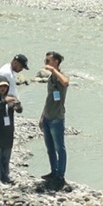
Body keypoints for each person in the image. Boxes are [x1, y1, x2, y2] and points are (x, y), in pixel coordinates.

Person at [38, 50, 70, 190]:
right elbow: (48, 98)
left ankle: (60, 176)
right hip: (48, 117)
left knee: (59, 148)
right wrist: (42, 116)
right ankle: (53, 171)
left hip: (57, 117)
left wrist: (54, 70)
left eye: (48, 61)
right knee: (50, 148)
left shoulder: (60, 76)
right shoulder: (51, 78)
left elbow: (65, 82)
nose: (46, 63)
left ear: (56, 62)